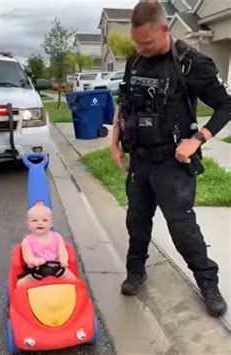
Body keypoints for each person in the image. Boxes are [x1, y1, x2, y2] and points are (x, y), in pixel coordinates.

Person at [110, 1, 230, 317]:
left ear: (165, 30)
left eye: (147, 43)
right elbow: (125, 103)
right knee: (136, 220)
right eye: (137, 42)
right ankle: (136, 272)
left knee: (182, 228)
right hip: (139, 158)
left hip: (172, 162)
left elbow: (226, 106)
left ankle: (208, 283)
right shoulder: (135, 59)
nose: (141, 48)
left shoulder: (192, 63)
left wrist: (196, 140)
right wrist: (114, 140)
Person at [17, 203, 75, 286]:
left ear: (51, 224)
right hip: (36, 271)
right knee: (20, 283)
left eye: (44, 220)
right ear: (28, 225)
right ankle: (17, 297)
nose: (39, 223)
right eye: (34, 220)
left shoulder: (57, 237)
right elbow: (28, 257)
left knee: (73, 279)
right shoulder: (27, 241)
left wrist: (63, 260)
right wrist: (34, 261)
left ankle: (79, 296)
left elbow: (62, 251)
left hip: (58, 269)